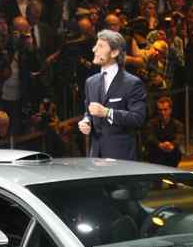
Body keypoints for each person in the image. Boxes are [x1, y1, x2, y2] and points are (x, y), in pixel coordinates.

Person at [78, 30, 147, 160]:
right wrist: (86, 121)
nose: (94, 49)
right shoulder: (90, 82)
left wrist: (107, 112)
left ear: (114, 52)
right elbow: (89, 112)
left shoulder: (132, 83)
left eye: (100, 46)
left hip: (121, 157)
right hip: (95, 155)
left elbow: (138, 118)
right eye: (96, 45)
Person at [142, 96, 184, 167]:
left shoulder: (177, 124)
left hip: (171, 153)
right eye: (160, 110)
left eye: (165, 110)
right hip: (155, 153)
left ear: (170, 110)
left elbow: (179, 137)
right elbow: (149, 137)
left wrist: (172, 144)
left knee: (176, 152)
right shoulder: (151, 123)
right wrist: (159, 144)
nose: (162, 112)